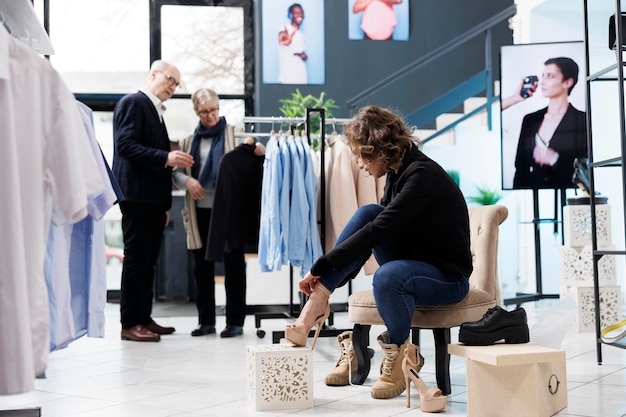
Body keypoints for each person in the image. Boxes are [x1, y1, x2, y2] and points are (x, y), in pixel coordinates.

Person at [285, 105, 472, 400]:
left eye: (362, 155)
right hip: (414, 264)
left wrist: (321, 265)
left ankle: (399, 355)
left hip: (446, 279)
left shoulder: (421, 175)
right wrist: (332, 272)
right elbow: (372, 229)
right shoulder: (396, 173)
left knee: (386, 273)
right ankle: (319, 298)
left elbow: (379, 231)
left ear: (381, 150)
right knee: (368, 212)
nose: (359, 164)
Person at [113, 60, 194, 342]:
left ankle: (143, 318)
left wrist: (162, 206)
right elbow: (125, 145)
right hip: (136, 197)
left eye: (176, 83)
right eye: (170, 79)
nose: (173, 86)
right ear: (153, 74)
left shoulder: (155, 110)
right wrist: (166, 157)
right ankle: (130, 323)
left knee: (148, 262)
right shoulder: (134, 103)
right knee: (136, 260)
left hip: (151, 201)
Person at [173, 88, 264, 338]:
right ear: (196, 112)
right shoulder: (189, 141)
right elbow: (177, 171)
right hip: (199, 209)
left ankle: (235, 322)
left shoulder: (235, 135)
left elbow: (251, 161)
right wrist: (187, 182)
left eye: (213, 110)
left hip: (229, 211)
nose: (210, 116)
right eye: (204, 112)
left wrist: (259, 151)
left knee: (233, 265)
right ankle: (206, 321)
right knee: (201, 267)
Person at [512, 57, 587, 189]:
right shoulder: (530, 120)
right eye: (543, 76)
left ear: (567, 82)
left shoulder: (582, 120)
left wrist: (554, 159)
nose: (543, 82)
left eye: (550, 76)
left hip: (570, 190)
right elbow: (520, 167)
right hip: (533, 191)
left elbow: (585, 168)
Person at [278, 3, 307, 84]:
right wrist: (294, 30)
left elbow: (301, 52)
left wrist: (303, 55)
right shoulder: (284, 27)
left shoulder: (300, 33)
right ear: (290, 15)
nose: (300, 15)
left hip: (299, 70)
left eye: (301, 13)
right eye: (297, 13)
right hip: (288, 70)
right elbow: (285, 42)